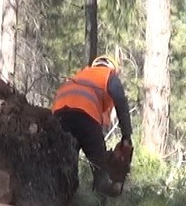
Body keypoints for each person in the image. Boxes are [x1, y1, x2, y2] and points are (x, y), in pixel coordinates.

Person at [51, 55, 134, 196]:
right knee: (99, 165)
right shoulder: (108, 74)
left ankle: (59, 202)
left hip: (58, 116)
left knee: (65, 165)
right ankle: (100, 204)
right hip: (85, 115)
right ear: (113, 68)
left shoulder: (80, 74)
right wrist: (126, 135)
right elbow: (120, 100)